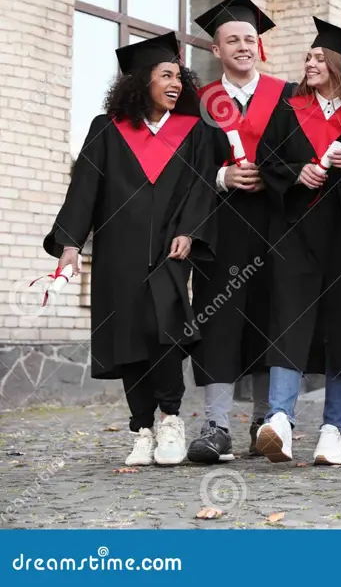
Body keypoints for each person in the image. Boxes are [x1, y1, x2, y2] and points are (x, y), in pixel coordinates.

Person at [44, 33, 216, 466]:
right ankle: (141, 428)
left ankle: (171, 419)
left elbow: (201, 187)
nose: (176, 83)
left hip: (169, 253)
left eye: (179, 76)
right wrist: (69, 245)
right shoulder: (107, 128)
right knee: (129, 339)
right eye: (165, 75)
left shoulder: (192, 131)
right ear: (142, 81)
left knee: (165, 333)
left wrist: (190, 230)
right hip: (118, 253)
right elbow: (84, 189)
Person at [253, 18, 341, 465]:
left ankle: (333, 430)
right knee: (288, 321)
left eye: (317, 57)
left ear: (339, 64)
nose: (309, 62)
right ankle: (280, 422)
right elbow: (266, 160)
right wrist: (297, 173)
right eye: (307, 56)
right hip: (295, 233)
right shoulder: (289, 111)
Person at [186, 0, 287, 464]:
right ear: (216, 50)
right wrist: (222, 177)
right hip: (221, 227)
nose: (243, 46)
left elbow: (304, 155)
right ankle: (217, 425)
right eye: (233, 40)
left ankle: (265, 424)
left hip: (277, 224)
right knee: (219, 322)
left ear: (259, 46)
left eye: (250, 38)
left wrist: (276, 172)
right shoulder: (199, 103)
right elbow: (181, 170)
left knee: (270, 318)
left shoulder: (286, 96)